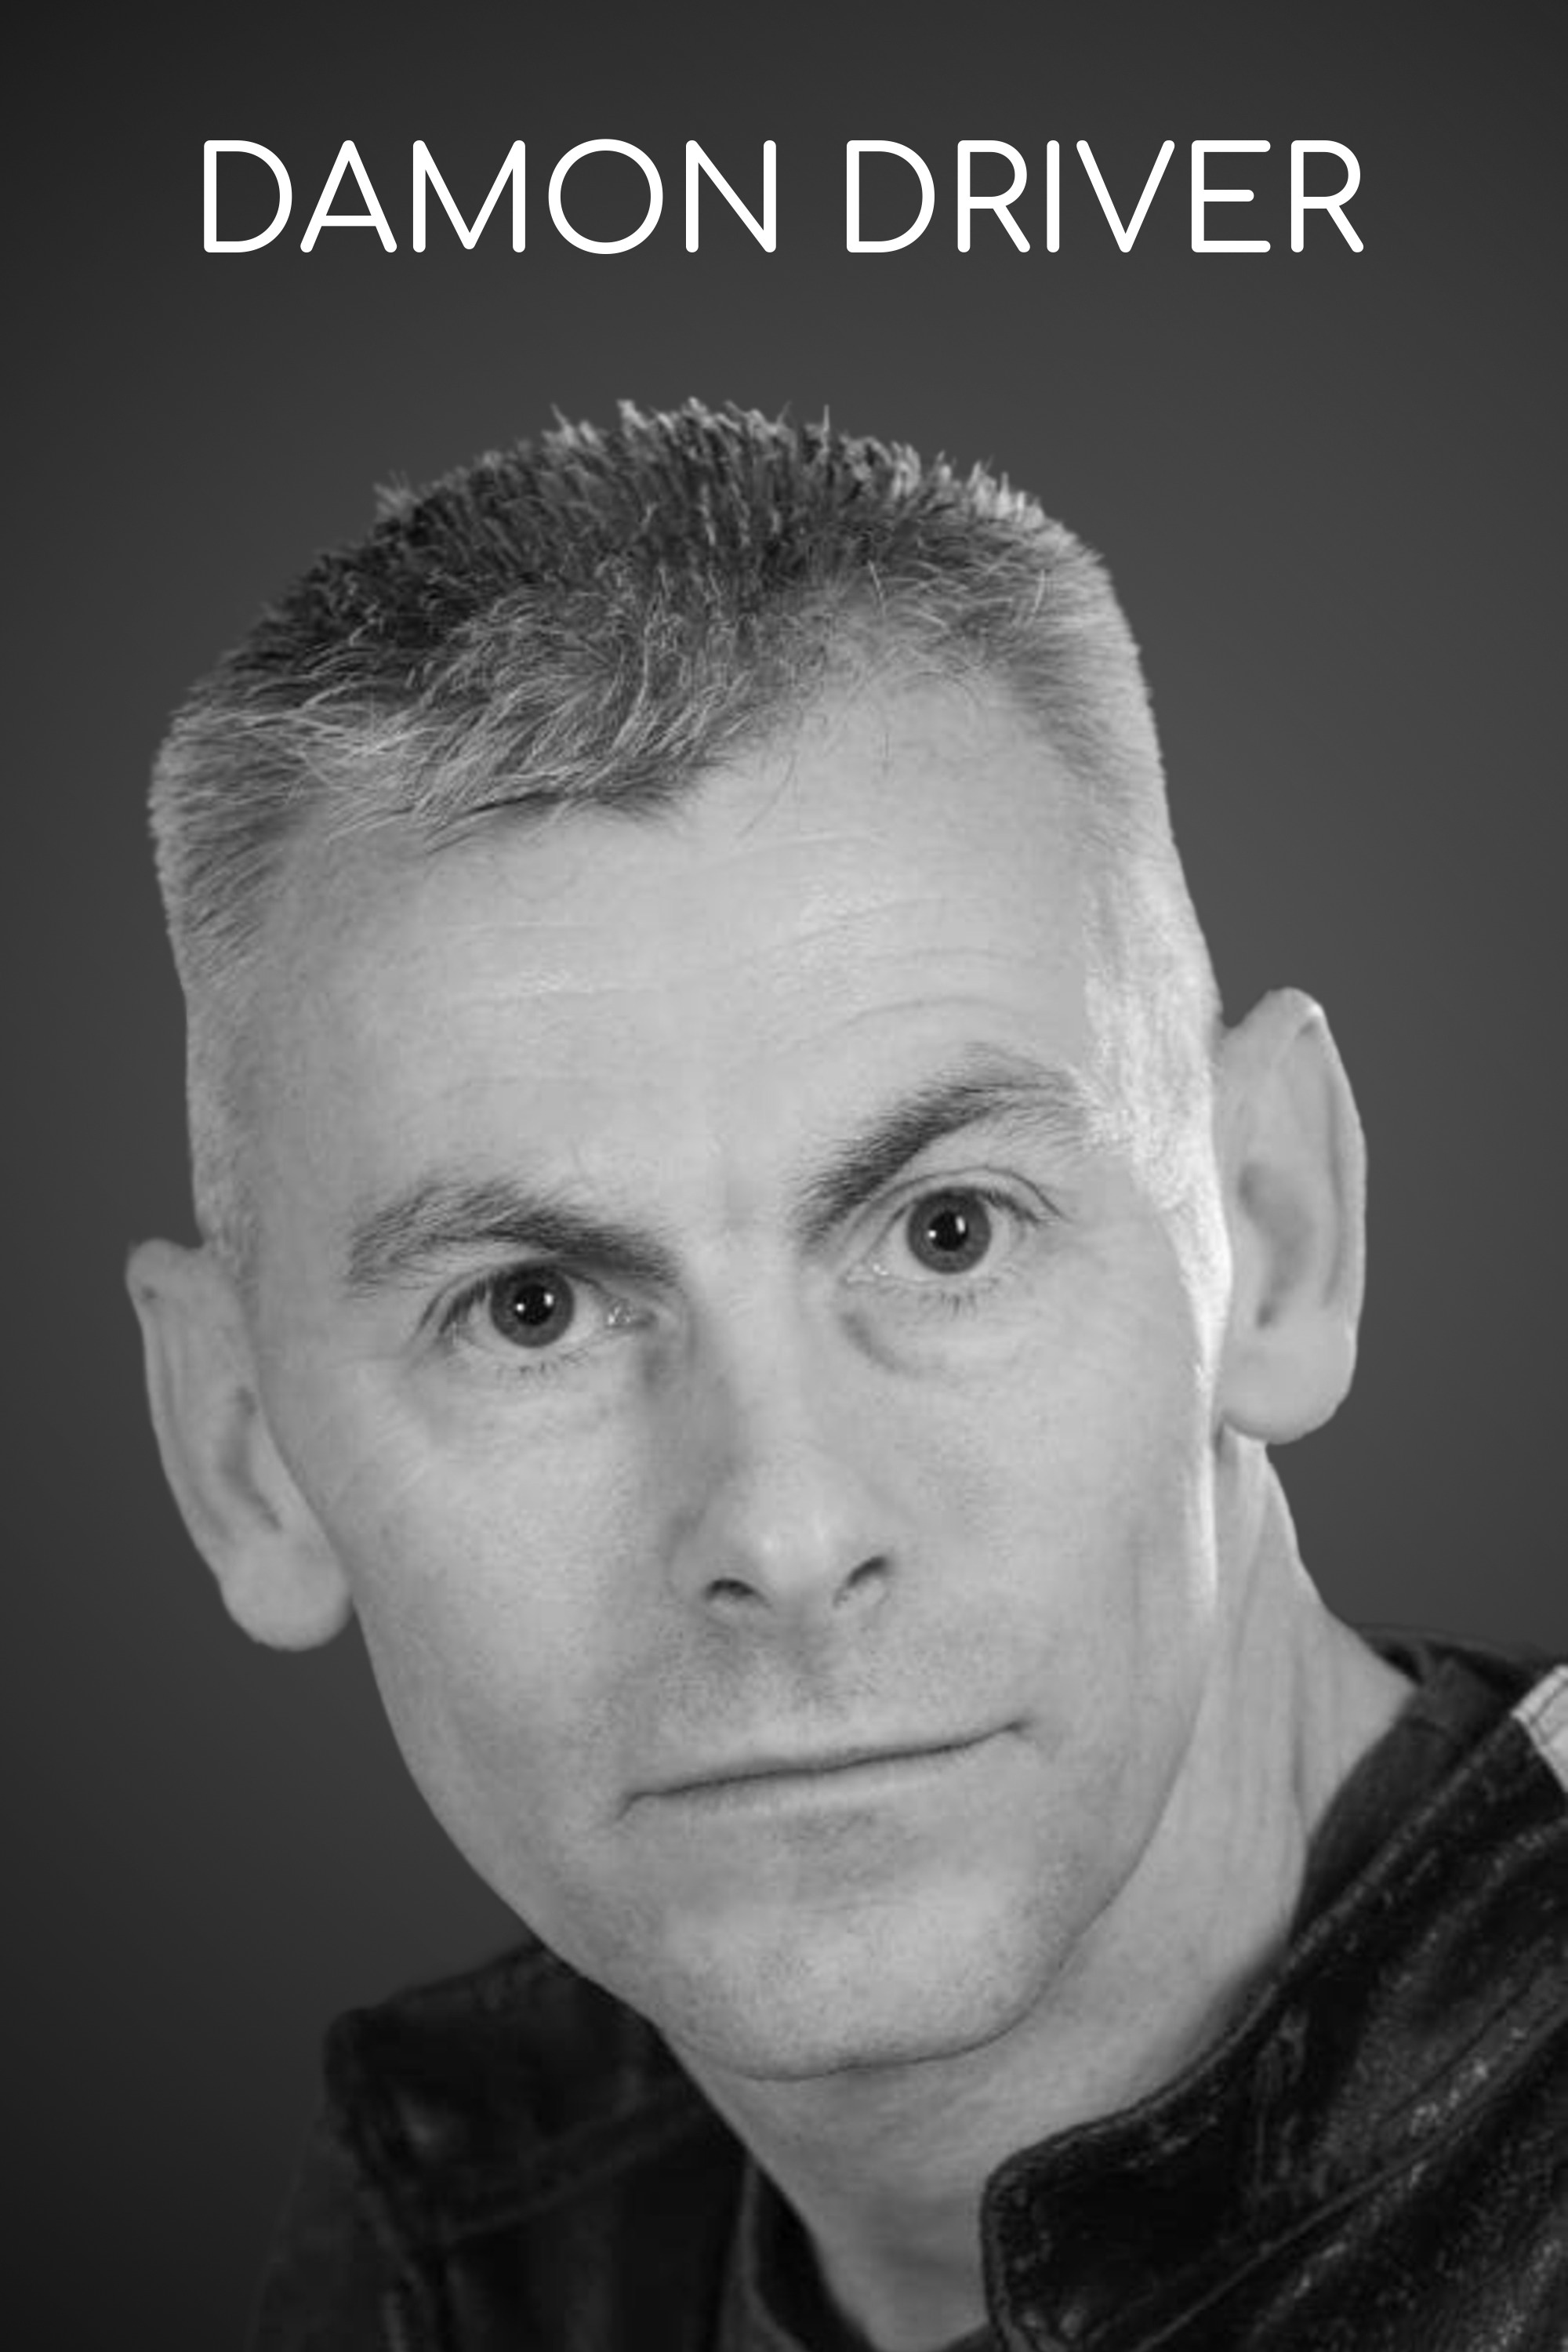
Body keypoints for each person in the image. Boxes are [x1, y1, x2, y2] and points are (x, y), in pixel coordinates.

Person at [127, 403, 1567, 2352]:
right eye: (532, 1307)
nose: (788, 1531)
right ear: (244, 1454)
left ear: (1271, 1236)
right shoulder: (458, 2228)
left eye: (948, 1232)